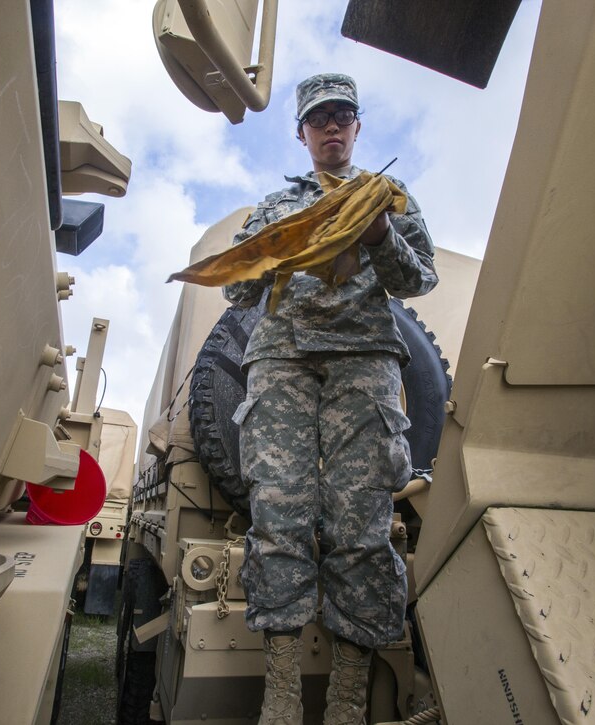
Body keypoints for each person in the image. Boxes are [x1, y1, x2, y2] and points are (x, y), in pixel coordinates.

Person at [223, 73, 438, 725]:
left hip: (364, 366)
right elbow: (236, 289)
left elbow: (421, 276)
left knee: (362, 527)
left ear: (357, 126)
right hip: (283, 361)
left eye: (343, 114)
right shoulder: (276, 202)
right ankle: (283, 693)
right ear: (302, 134)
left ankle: (346, 697)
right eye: (320, 118)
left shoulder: (388, 196)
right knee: (280, 517)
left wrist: (377, 234)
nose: (332, 126)